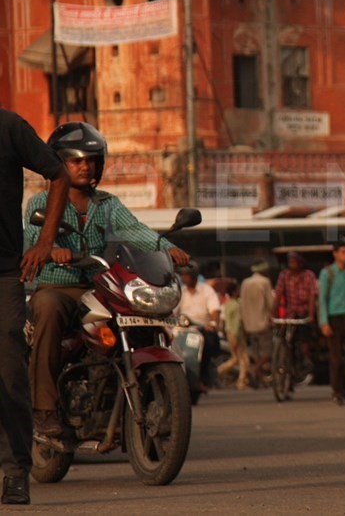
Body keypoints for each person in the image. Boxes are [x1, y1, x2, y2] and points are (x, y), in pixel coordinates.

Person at [26, 122, 190, 438]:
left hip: (100, 286)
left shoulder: (107, 204)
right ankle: (43, 410)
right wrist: (54, 249)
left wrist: (168, 247)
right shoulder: (40, 203)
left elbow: (136, 230)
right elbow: (34, 235)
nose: (85, 167)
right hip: (60, 285)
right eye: (76, 161)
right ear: (59, 163)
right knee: (47, 309)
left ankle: (131, 391)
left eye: (91, 160)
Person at [0, 109, 69, 506]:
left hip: (4, 273)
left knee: (9, 371)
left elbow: (58, 174)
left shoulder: (9, 127)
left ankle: (14, 472)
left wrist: (45, 242)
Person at [318, 242, 345, 405]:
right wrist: (323, 322)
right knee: (336, 359)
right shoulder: (327, 273)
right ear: (335, 254)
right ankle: (337, 390)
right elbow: (322, 299)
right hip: (333, 319)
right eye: (343, 252)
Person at [175, 262, 221, 392]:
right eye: (182, 275)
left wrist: (212, 323)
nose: (184, 278)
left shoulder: (207, 290)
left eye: (186, 275)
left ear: (193, 276)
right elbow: (174, 311)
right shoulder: (181, 292)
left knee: (209, 344)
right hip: (183, 329)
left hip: (201, 329)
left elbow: (215, 310)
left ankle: (203, 374)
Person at [274, 251, 318, 382]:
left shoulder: (308, 275)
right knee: (285, 339)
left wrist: (311, 314)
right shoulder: (284, 275)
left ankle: (306, 358)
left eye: (293, 261)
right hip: (290, 313)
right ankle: (288, 366)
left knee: (304, 339)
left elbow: (312, 296)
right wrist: (271, 313)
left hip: (304, 312)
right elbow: (278, 294)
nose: (291, 264)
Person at [240, 259, 275, 385]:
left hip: (249, 324)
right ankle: (256, 369)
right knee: (267, 352)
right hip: (262, 323)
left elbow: (242, 304)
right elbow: (270, 304)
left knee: (256, 353)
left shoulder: (245, 282)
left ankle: (259, 378)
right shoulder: (265, 282)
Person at [217, 280, 250, 390]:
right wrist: (236, 337)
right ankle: (239, 381)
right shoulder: (236, 305)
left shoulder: (227, 304)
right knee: (242, 359)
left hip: (229, 332)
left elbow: (225, 321)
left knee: (238, 358)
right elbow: (236, 323)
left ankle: (240, 380)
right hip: (235, 333)